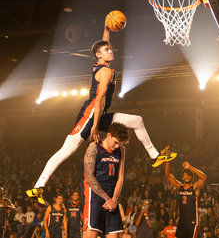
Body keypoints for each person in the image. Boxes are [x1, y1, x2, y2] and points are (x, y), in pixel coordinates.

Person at [26, 22, 176, 204]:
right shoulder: (104, 72)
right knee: (66, 151)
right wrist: (95, 126)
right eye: (107, 50)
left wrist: (106, 31)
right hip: (90, 115)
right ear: (99, 55)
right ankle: (37, 187)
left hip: (99, 112)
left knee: (137, 120)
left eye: (110, 49)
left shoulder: (100, 63)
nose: (110, 51)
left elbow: (102, 46)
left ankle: (154, 156)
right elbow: (99, 100)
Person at [82, 122, 127, 238]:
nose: (117, 146)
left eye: (120, 143)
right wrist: (108, 199)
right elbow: (89, 177)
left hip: (112, 196)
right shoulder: (94, 147)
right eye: (116, 142)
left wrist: (114, 199)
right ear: (108, 135)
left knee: (114, 235)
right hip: (95, 195)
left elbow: (120, 176)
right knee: (91, 235)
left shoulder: (121, 150)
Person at [165, 161, 207, 238]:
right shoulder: (179, 187)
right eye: (185, 175)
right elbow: (167, 175)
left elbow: (204, 178)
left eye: (189, 175)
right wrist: (167, 161)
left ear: (192, 177)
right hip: (181, 222)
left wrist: (190, 167)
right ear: (182, 178)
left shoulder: (194, 188)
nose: (187, 176)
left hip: (192, 222)